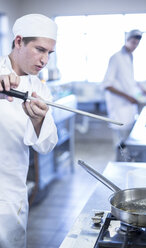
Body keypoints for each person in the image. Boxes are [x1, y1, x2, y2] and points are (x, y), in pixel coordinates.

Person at [0, 14, 58, 248]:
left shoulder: (40, 90)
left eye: (49, 54)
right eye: (40, 50)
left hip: (9, 194)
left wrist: (38, 121)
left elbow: (46, 145)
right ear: (18, 41)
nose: (44, 60)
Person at [103, 29, 146, 145]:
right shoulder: (116, 57)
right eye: (133, 42)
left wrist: (140, 87)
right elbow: (107, 85)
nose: (135, 46)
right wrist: (128, 97)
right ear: (127, 40)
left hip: (128, 106)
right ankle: (118, 161)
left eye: (137, 44)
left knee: (128, 139)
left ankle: (126, 160)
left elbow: (128, 79)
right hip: (119, 107)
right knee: (120, 142)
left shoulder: (129, 57)